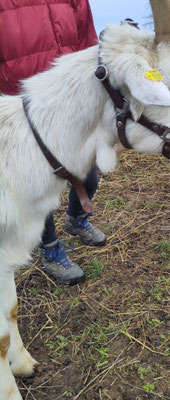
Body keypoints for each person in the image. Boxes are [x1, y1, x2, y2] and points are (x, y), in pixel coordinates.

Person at [0, 0, 106, 285]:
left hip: (70, 105)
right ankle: (49, 248)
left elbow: (88, 43)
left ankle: (75, 219)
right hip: (24, 112)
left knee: (88, 177)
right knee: (39, 188)